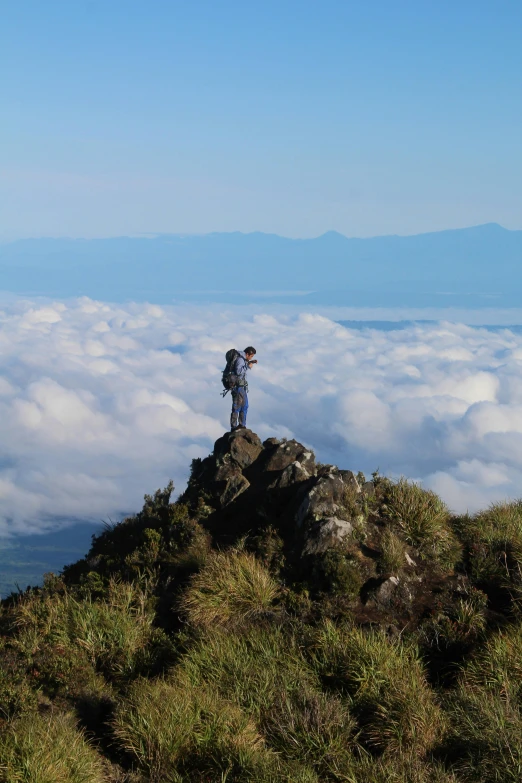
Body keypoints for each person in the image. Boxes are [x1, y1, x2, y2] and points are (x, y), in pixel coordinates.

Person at [230, 346, 257, 431]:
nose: (251, 358)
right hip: (238, 387)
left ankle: (241, 425)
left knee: (244, 406)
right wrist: (248, 366)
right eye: (251, 356)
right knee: (237, 406)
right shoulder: (240, 359)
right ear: (247, 354)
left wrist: (250, 362)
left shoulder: (243, 359)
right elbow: (238, 371)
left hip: (241, 386)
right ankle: (234, 426)